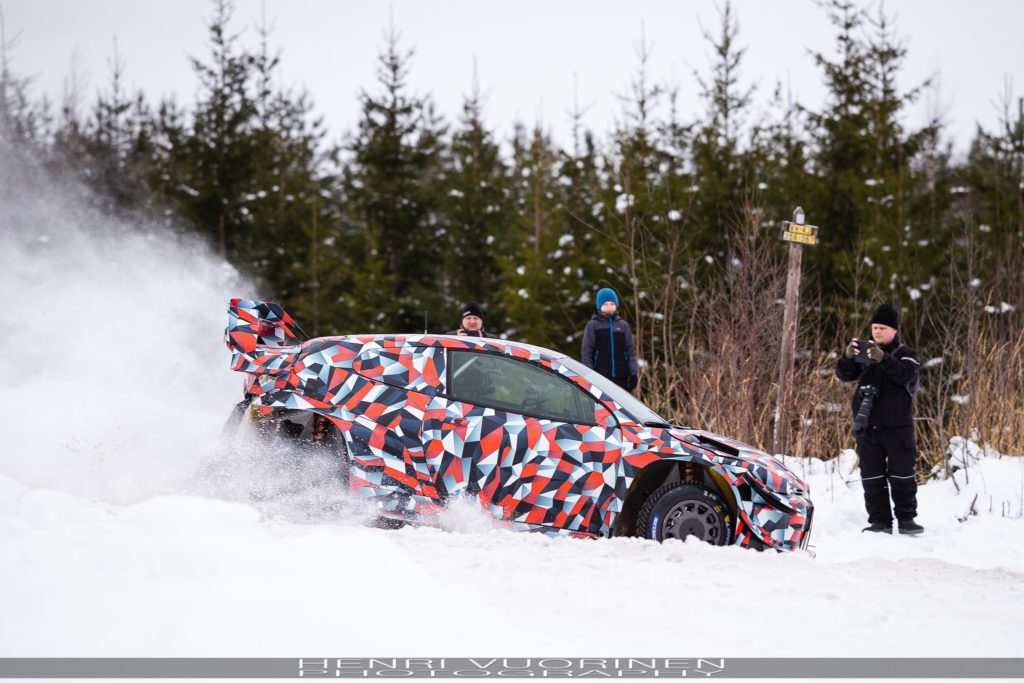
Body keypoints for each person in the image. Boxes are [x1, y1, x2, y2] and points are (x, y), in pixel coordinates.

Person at [835, 303, 924, 535]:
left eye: (882, 328)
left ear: (894, 330)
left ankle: (906, 520)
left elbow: (905, 375)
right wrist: (847, 358)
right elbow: (844, 375)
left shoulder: (908, 355)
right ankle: (879, 522)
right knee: (871, 476)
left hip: (898, 427)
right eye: (875, 327)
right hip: (867, 427)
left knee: (902, 474)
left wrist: (883, 358)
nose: (877, 332)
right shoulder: (866, 355)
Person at [581, 288, 639, 393]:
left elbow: (631, 352)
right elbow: (587, 352)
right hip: (600, 376)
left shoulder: (623, 325)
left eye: (612, 303)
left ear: (616, 305)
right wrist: (589, 374)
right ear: (599, 306)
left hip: (621, 377)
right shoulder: (593, 325)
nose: (609, 307)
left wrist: (634, 373)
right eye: (605, 304)